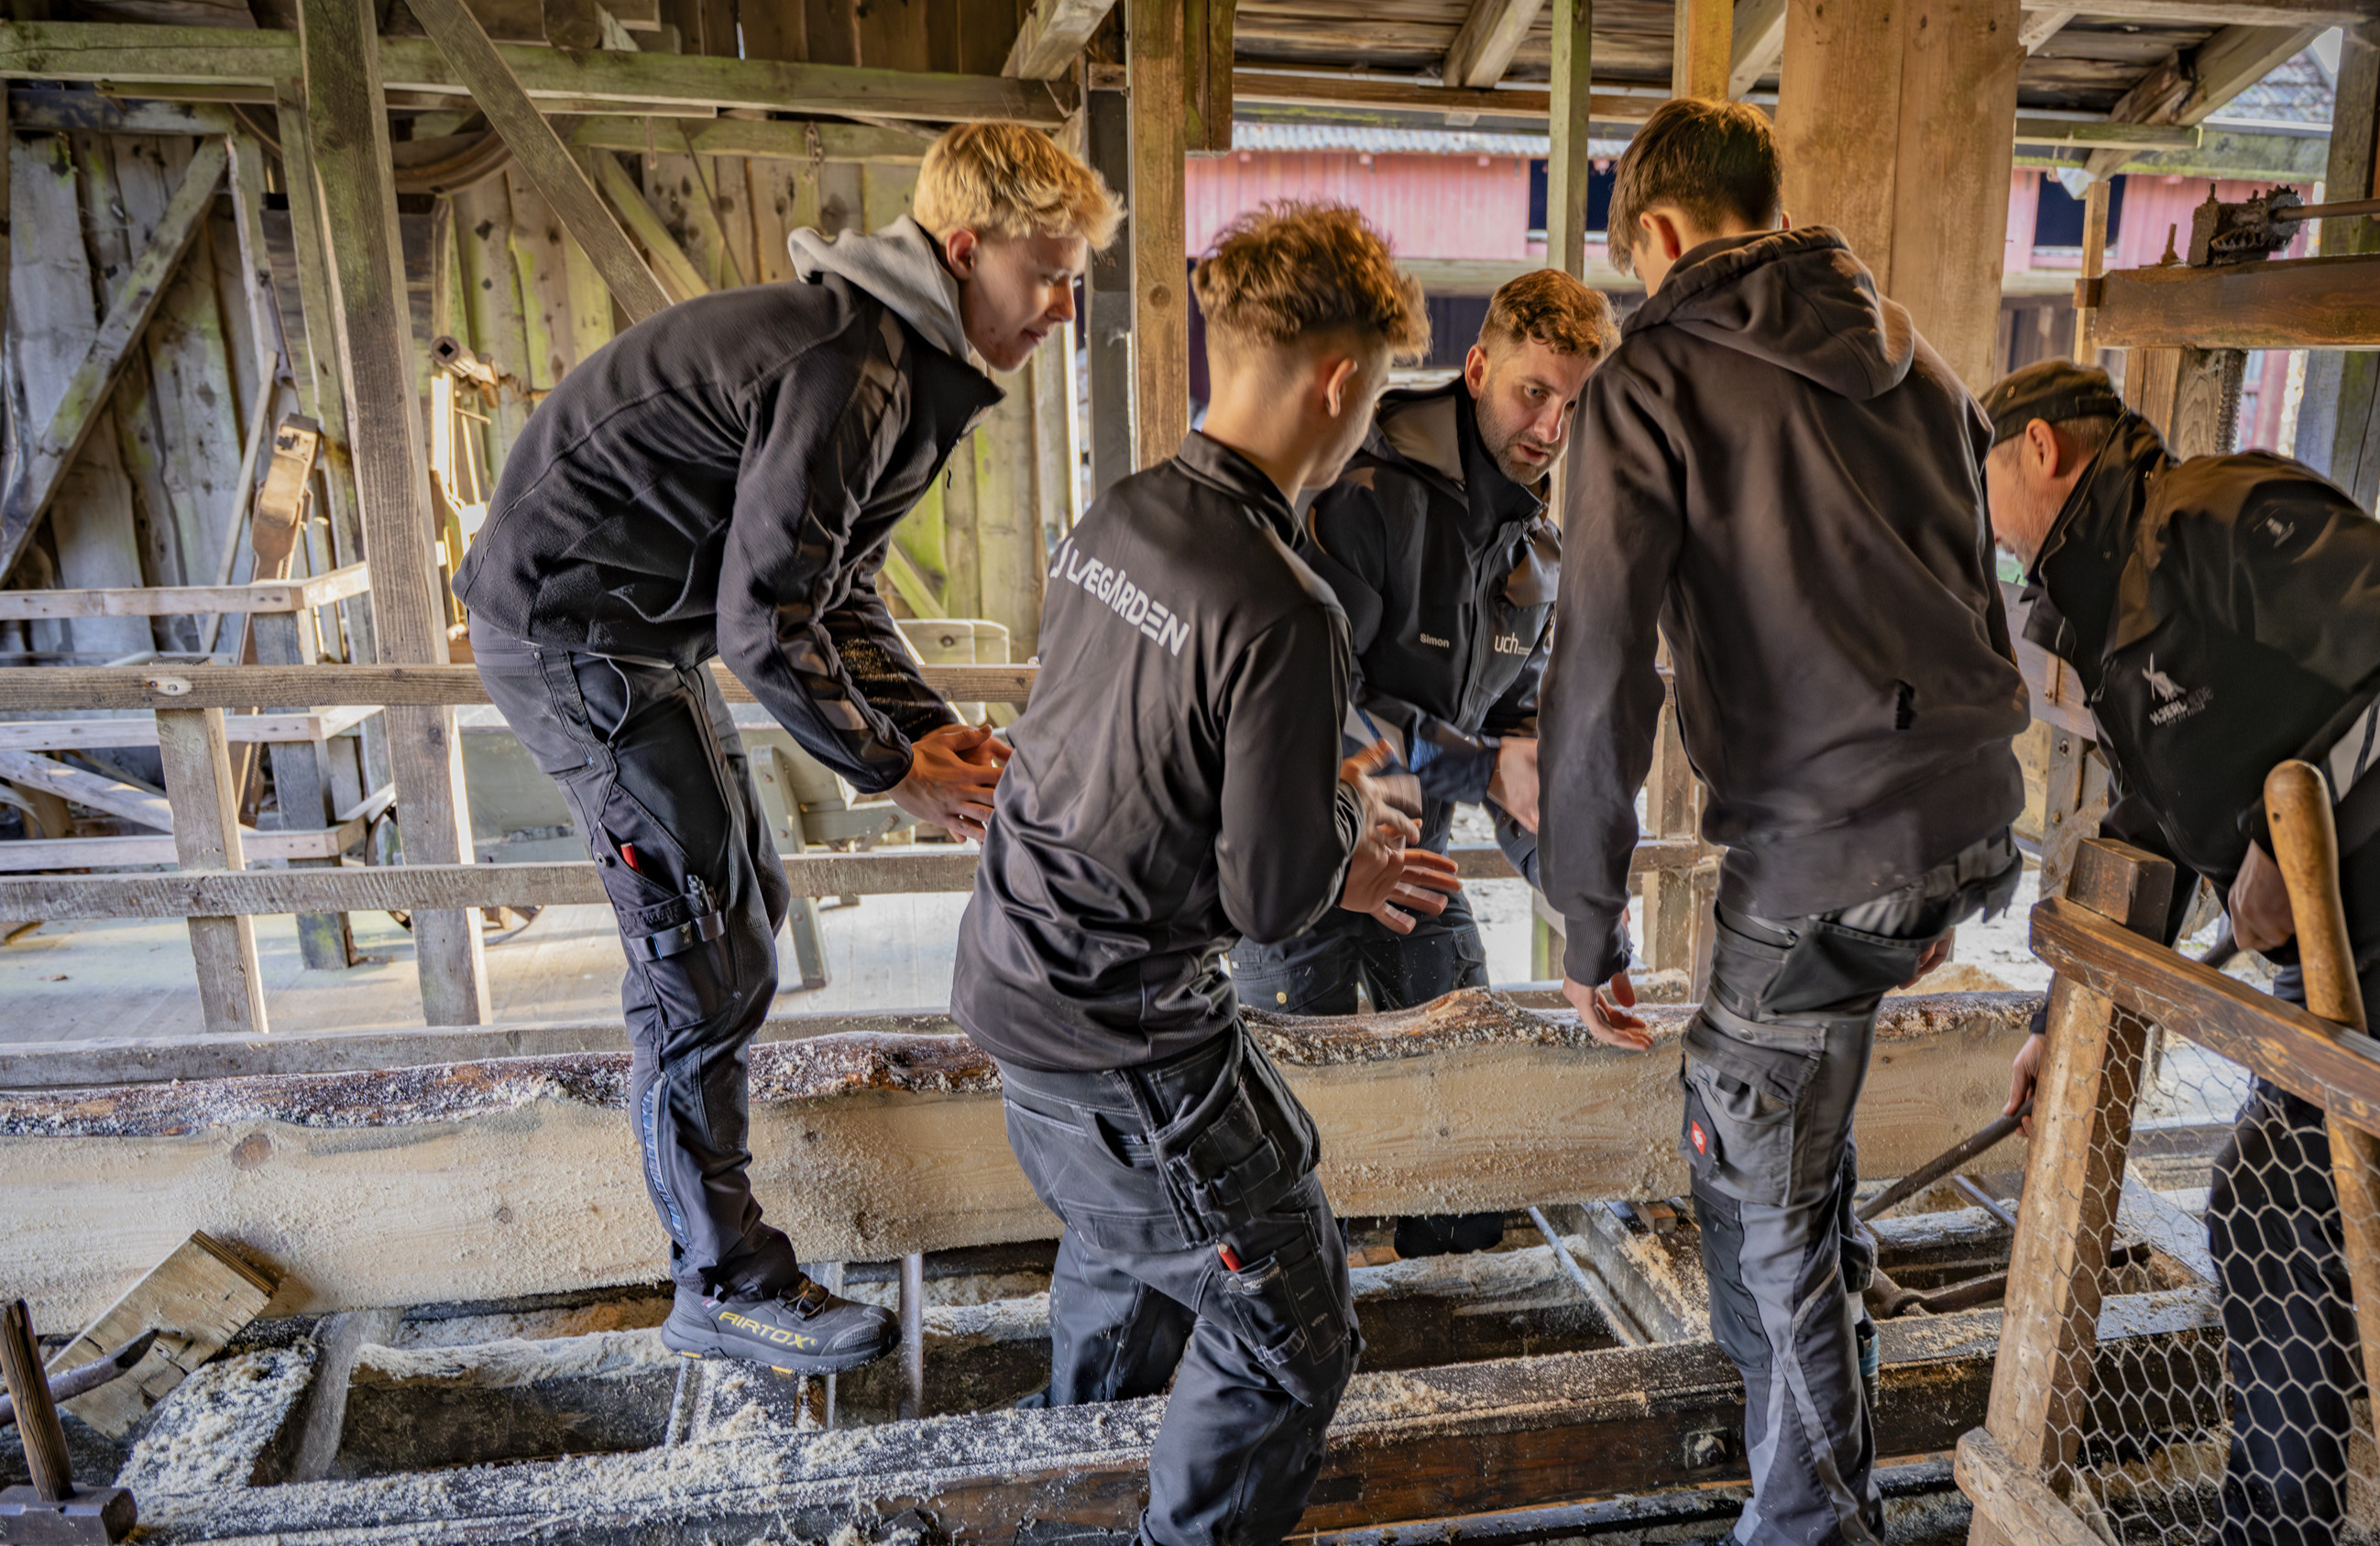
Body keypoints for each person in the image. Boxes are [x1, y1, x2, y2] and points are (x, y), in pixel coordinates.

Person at [453, 125, 1121, 1375]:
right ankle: (719, 1279)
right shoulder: (849, 368)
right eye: (1048, 270)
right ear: (965, 252)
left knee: (742, 905)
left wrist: (919, 724)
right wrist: (893, 772)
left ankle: (724, 1248)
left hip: (641, 628)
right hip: (574, 628)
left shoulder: (899, 365)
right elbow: (765, 623)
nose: (1064, 304)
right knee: (698, 949)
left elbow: (834, 587)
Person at [1983, 359, 2380, 1545]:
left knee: (2275, 1185)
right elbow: (2150, 825)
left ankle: (2280, 1528)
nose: (1984, 508)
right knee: (2284, 1190)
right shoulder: (2110, 608)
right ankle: (2297, 1500)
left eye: (1985, 471)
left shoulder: (2221, 519)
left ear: (2044, 451)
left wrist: (2300, 818)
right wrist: (2057, 1025)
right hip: (2344, 936)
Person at [1538, 99, 2030, 1545]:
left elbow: (1601, 668)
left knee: (1749, 1175)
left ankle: (1810, 1518)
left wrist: (1584, 917)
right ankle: (1803, 1436)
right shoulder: (1919, 356)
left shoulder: (1654, 381)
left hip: (1826, 852)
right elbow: (1980, 582)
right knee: (1791, 1134)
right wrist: (1937, 870)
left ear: (1665, 234)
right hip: (1959, 824)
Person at [951, 203, 1460, 1546]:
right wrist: (1343, 853)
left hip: (1015, 984)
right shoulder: (1286, 603)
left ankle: (1065, 1500)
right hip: (1130, 1037)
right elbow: (1268, 897)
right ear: (1341, 382)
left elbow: (1136, 752)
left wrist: (1304, 800)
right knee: (1294, 1330)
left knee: (1129, 1247)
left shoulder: (1123, 516)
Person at [1231, 268, 1620, 1257]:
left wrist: (1585, 927)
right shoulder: (1361, 486)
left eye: (1573, 404)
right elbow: (1322, 705)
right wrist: (1485, 766)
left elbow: (1527, 756)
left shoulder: (1538, 550)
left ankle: (1440, 1340)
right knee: (1278, 1159)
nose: (1551, 426)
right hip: (1301, 860)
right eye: (1535, 391)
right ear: (1480, 367)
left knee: (1468, 1139)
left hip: (1419, 853)